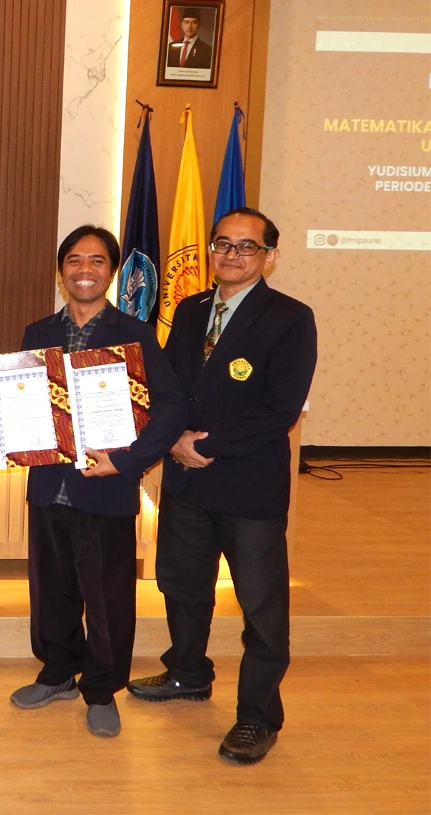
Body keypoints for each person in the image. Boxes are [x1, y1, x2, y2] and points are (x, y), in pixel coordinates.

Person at [0, 225, 186, 737]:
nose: (84, 270)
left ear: (111, 272)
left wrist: (128, 461)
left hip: (106, 488)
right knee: (51, 591)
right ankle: (57, 673)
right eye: (74, 260)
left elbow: (171, 406)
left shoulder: (134, 334)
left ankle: (101, 689)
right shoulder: (37, 333)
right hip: (49, 486)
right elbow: (21, 407)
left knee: (108, 598)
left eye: (96, 261)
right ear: (61, 271)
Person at [128, 208, 317, 766]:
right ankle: (188, 672)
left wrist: (204, 443)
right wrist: (172, 439)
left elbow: (279, 409)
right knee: (182, 586)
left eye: (246, 246)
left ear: (269, 256)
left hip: (247, 488)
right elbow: (167, 387)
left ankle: (258, 716)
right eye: (222, 244)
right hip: (187, 482)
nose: (231, 255)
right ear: (210, 250)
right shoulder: (189, 310)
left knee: (261, 608)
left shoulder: (290, 318)